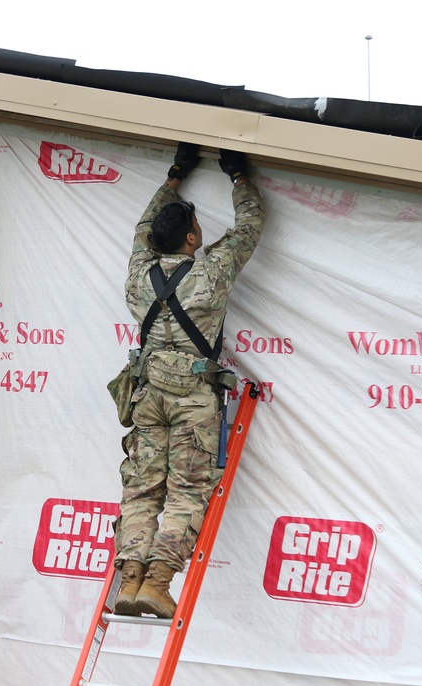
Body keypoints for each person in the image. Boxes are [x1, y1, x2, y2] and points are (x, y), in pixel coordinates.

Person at [113, 143, 265, 618]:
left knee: (141, 488)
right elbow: (250, 226)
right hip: (193, 398)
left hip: (147, 394)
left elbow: (143, 228)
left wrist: (175, 175)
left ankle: (130, 580)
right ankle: (157, 584)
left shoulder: (140, 274)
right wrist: (238, 177)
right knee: (186, 490)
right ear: (193, 239)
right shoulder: (211, 271)